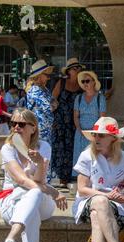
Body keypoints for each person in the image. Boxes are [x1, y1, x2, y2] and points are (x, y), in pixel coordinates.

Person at [0, 108, 68, 242]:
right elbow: (21, 180)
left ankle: (11, 239)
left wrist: (39, 163)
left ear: (33, 128)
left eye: (21, 124)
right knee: (32, 205)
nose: (16, 127)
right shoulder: (8, 148)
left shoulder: (44, 147)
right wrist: (53, 191)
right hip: (12, 200)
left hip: (41, 200)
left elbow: (39, 179)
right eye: (12, 123)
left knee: (34, 194)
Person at [72, 117, 124, 242]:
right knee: (99, 202)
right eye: (95, 135)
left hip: (114, 207)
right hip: (87, 201)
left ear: (113, 139)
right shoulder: (87, 155)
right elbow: (82, 189)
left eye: (101, 135)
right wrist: (106, 196)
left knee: (96, 216)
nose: (96, 138)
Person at [51, 58, 84, 186]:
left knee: (72, 149)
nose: (78, 70)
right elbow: (53, 99)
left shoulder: (82, 84)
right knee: (59, 149)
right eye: (75, 68)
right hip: (60, 122)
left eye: (79, 68)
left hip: (74, 122)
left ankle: (71, 176)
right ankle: (61, 177)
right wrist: (52, 116)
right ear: (69, 71)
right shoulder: (62, 83)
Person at [72, 70, 106, 178]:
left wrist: (95, 132)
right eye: (83, 81)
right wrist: (79, 129)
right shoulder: (79, 98)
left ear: (94, 82)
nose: (85, 83)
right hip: (80, 133)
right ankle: (81, 180)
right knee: (80, 157)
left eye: (87, 81)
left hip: (94, 133)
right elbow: (76, 116)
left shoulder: (100, 98)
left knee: (94, 157)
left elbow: (102, 118)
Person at [25, 60, 55, 143]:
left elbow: (55, 103)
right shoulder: (34, 90)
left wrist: (52, 104)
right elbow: (49, 107)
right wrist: (52, 105)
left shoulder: (45, 89)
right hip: (38, 133)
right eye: (46, 75)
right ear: (39, 75)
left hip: (47, 132)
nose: (48, 78)